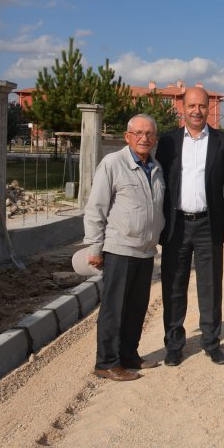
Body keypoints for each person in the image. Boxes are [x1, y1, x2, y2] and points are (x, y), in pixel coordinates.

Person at [156, 86, 224, 366]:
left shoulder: (222, 142)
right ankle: (174, 345)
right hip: (176, 226)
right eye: (191, 106)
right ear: (182, 108)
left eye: (202, 106)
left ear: (209, 108)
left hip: (209, 225)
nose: (197, 111)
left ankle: (211, 342)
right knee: (174, 286)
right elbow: (160, 185)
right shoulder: (168, 142)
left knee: (210, 287)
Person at [84, 114, 165, 382]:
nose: (145, 138)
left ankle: (129, 355)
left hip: (145, 251)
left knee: (136, 308)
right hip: (119, 248)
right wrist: (94, 247)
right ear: (127, 136)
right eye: (139, 133)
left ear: (155, 138)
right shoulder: (113, 163)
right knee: (114, 309)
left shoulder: (155, 167)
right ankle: (106, 362)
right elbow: (96, 208)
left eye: (150, 134)